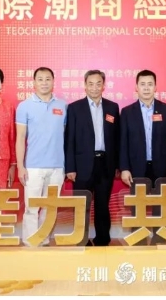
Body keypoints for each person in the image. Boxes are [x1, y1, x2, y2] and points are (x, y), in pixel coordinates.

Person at [65, 70, 120, 246]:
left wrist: (117, 165)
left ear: (104, 85)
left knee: (103, 204)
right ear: (85, 85)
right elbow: (69, 139)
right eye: (91, 84)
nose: (94, 87)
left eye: (98, 84)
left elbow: (117, 139)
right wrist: (70, 167)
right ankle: (81, 239)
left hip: (105, 163)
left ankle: (103, 239)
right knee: (82, 204)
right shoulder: (75, 108)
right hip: (82, 165)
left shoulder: (112, 107)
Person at [16, 67, 67, 247]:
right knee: (32, 207)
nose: (44, 83)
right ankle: (31, 242)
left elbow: (65, 136)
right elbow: (20, 138)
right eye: (40, 79)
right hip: (33, 167)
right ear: (34, 82)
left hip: (57, 167)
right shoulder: (24, 106)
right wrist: (20, 166)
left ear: (53, 81)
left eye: (47, 79)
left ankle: (44, 240)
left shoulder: (62, 106)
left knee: (50, 208)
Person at [119, 70, 166, 187]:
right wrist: (124, 168)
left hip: (162, 168)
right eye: (142, 84)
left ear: (155, 87)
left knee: (161, 199)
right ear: (136, 87)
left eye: (150, 84)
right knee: (138, 199)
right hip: (136, 168)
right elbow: (123, 143)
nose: (146, 88)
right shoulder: (127, 112)